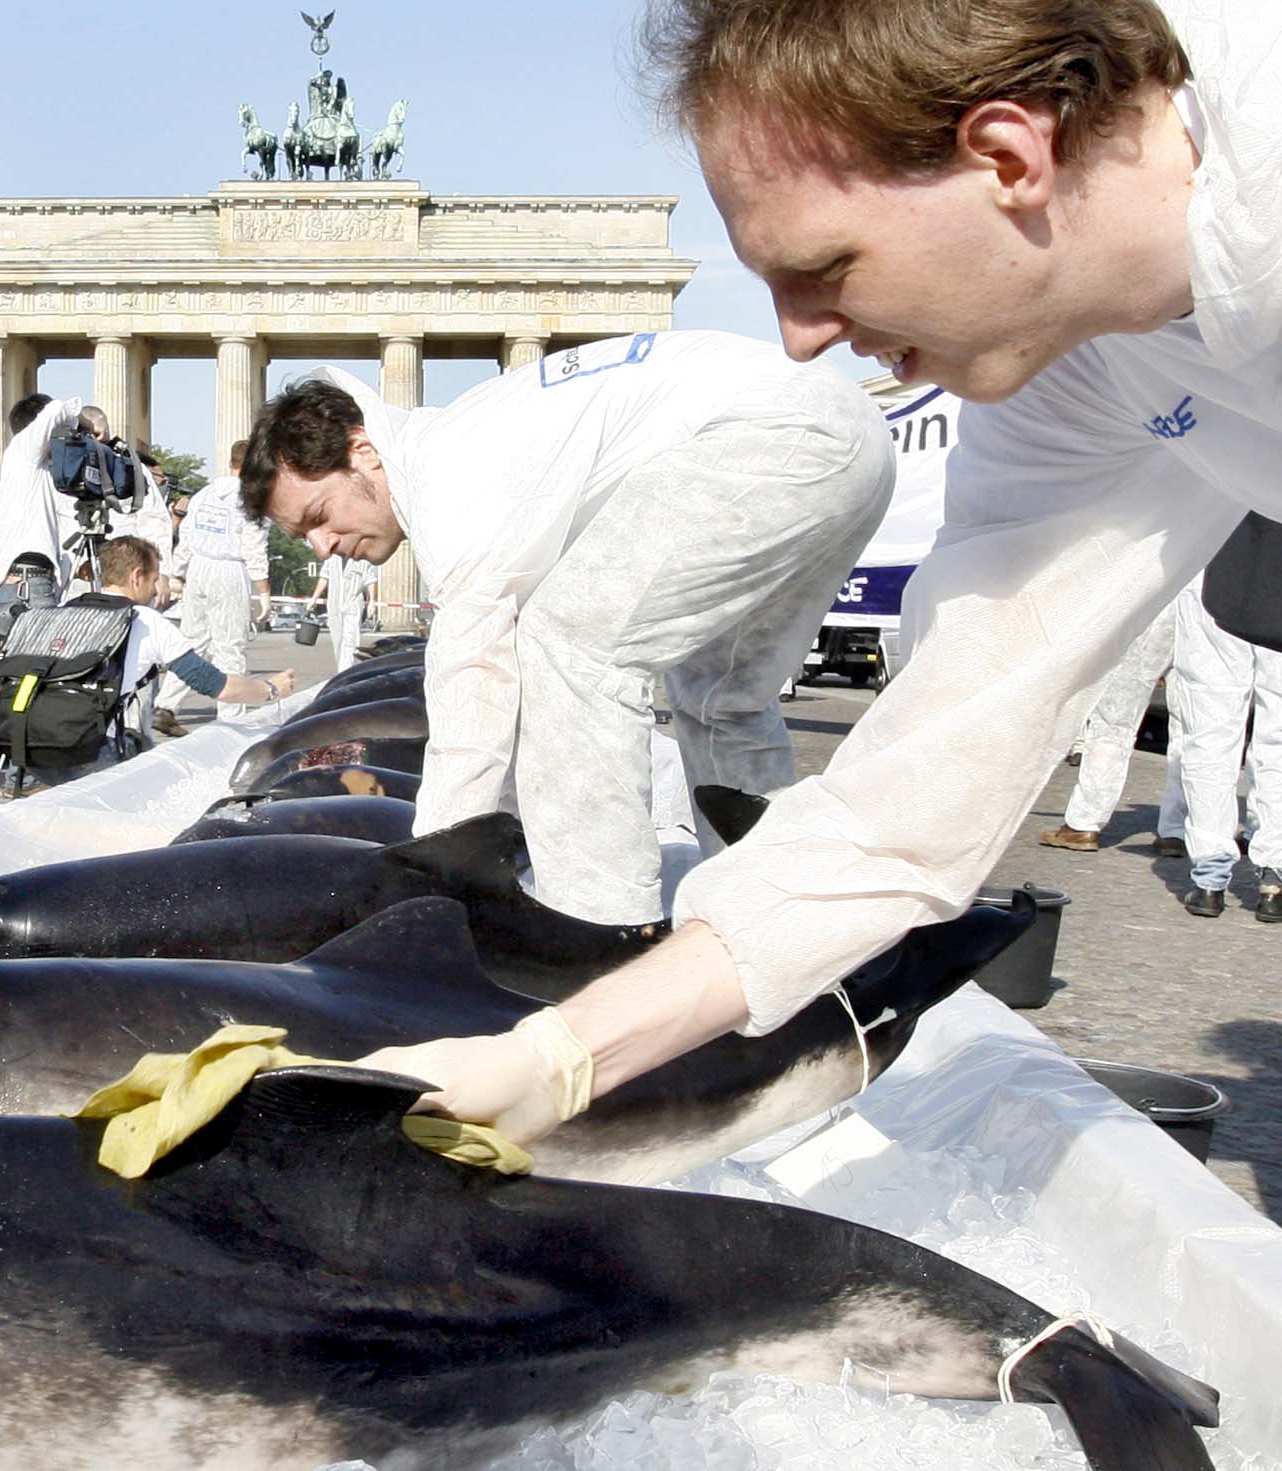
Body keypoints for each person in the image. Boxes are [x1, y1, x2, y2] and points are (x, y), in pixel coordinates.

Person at [366, 0, 1282, 1142]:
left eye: (822, 267)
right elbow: (920, 784)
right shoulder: (1066, 367)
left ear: (1008, 156)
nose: (796, 338)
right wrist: (561, 1054)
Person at [245, 342, 890, 927]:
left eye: (320, 517)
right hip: (848, 432)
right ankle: (771, 909)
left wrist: (429, 874)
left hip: (772, 437)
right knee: (723, 696)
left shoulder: (448, 480)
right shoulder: (475, 437)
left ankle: (598, 927)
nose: (325, 547)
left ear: (363, 450)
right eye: (303, 540)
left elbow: (473, 706)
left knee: (570, 650)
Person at [1169, 523, 1282, 920]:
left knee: (1211, 729)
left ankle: (1210, 877)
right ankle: (1275, 877)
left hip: (1218, 559)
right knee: (1279, 737)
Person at [97, 536, 296, 749]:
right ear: (136, 576)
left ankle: (165, 708)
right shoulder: (145, 620)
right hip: (94, 750)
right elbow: (214, 684)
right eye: (155, 579)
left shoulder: (65, 609)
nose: (157, 589)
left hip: (60, 739)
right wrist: (270, 689)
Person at [1039, 581, 1189, 852]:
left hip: (1160, 593)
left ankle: (1084, 822)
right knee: (1189, 730)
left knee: (1114, 722)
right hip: (1205, 601)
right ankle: (1175, 829)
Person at [177, 442, 273, 723]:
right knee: (230, 646)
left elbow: (186, 538)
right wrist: (263, 590)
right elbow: (254, 549)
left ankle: (166, 704)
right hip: (229, 570)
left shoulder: (203, 495)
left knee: (191, 643)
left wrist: (177, 572)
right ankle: (232, 715)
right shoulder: (251, 501)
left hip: (197, 568)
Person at [0, 391, 83, 612]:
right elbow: (57, 409)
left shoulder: (40, 473)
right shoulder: (23, 452)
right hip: (27, 582)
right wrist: (87, 423)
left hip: (33, 579)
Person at [309, 553, 376, 672]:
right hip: (334, 603)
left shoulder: (362, 557)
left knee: (351, 640)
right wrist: (314, 598)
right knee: (338, 640)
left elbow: (370, 579)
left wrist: (372, 601)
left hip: (353, 602)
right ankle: (342, 669)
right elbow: (324, 577)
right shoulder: (332, 558)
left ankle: (346, 671)